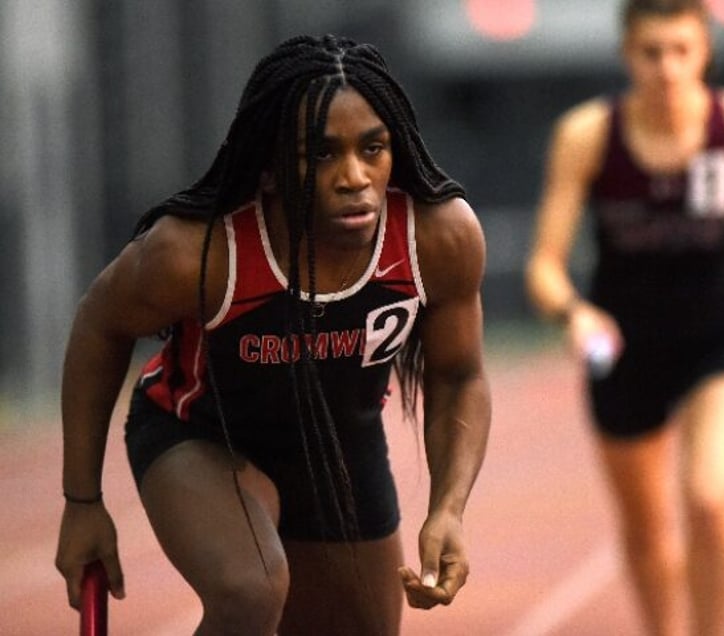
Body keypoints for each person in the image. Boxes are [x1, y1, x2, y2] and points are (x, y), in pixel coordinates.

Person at [55, 34, 491, 635]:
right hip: (201, 436)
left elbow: (459, 375)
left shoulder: (438, 238)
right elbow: (99, 324)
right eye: (321, 155)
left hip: (341, 446)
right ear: (269, 170)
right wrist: (82, 503)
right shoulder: (199, 254)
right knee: (251, 588)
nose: (354, 177)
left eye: (373, 149)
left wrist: (448, 508)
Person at [525, 2, 724, 635]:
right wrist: (573, 314)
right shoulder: (586, 136)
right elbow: (544, 265)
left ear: (705, 53)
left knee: (710, 495)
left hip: (717, 340)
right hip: (622, 347)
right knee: (644, 528)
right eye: (651, 53)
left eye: (681, 51)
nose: (667, 69)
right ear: (626, 56)